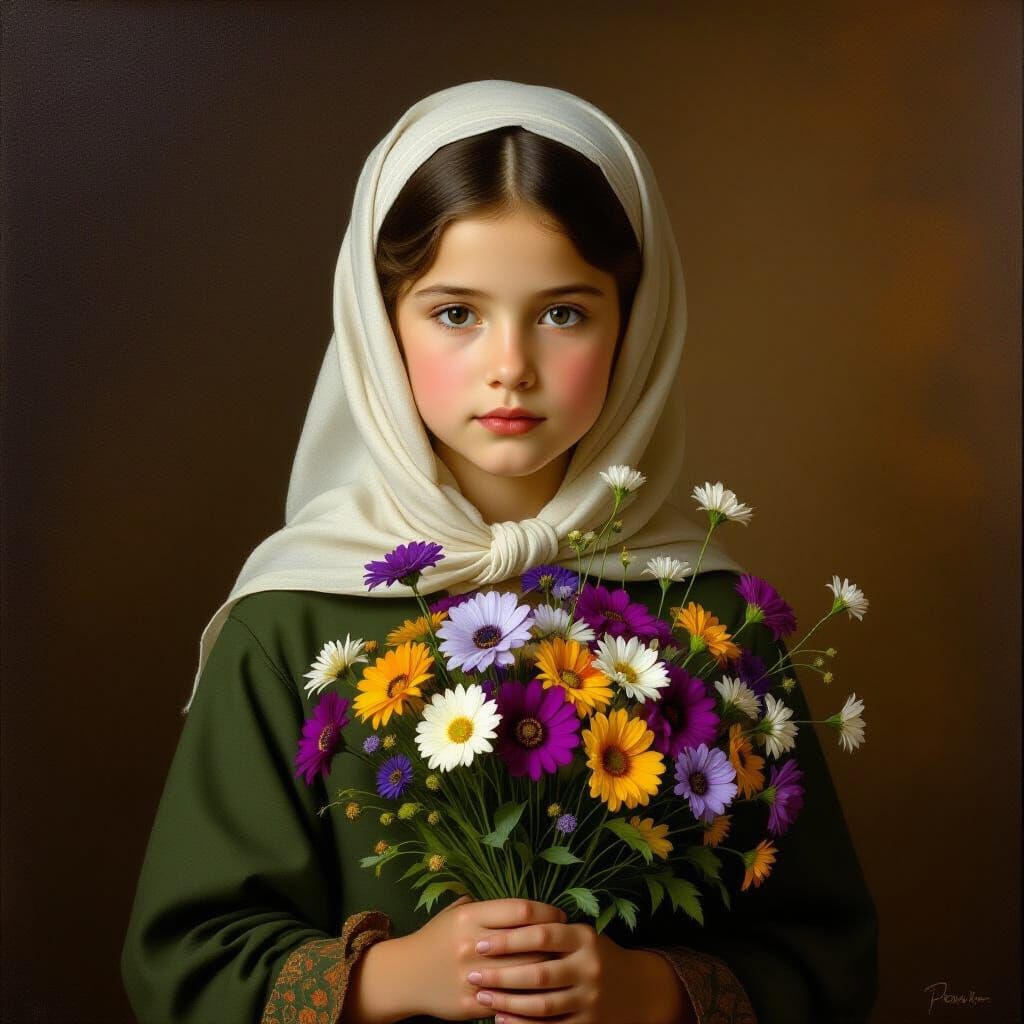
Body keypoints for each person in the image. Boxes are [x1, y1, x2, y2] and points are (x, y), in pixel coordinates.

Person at [121, 80, 877, 1023]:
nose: (509, 363)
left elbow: (826, 959)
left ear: (636, 326)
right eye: (455, 313)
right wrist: (390, 980)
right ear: (378, 324)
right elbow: (182, 960)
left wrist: (649, 990)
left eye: (563, 312)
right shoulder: (293, 615)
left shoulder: (711, 621)